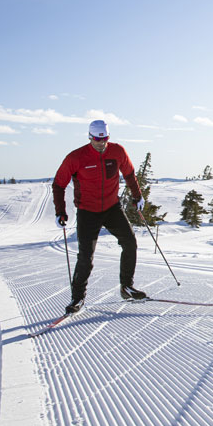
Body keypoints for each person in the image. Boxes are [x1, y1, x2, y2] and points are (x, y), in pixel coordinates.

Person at [52, 120, 148, 313]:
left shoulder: (118, 152)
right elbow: (59, 184)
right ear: (90, 137)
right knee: (86, 257)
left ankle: (126, 287)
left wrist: (137, 196)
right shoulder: (76, 157)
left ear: (108, 137)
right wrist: (60, 211)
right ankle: (77, 299)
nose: (100, 143)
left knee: (129, 242)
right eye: (96, 139)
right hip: (87, 211)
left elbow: (129, 174)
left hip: (112, 207)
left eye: (104, 139)